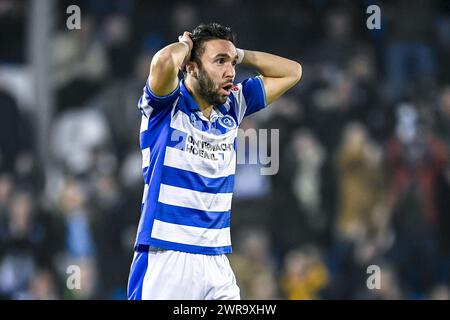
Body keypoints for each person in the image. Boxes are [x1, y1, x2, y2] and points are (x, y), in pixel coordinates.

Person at [127, 22, 302, 300]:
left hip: (216, 259)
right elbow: (162, 62)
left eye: (232, 63)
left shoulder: (232, 106)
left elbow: (292, 72)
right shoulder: (165, 107)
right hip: (167, 256)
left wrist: (238, 53)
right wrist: (186, 46)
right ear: (191, 66)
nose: (230, 71)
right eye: (219, 61)